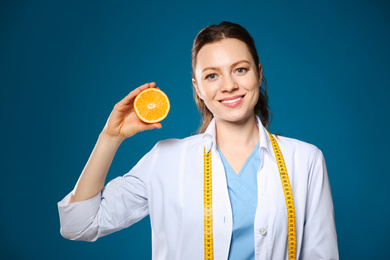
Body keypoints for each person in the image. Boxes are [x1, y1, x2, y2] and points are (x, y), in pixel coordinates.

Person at [58, 21, 338, 259]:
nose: (229, 85)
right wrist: (110, 137)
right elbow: (79, 225)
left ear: (259, 73)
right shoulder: (166, 160)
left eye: (240, 69)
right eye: (212, 75)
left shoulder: (304, 160)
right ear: (198, 88)